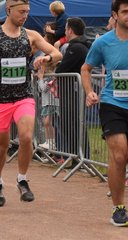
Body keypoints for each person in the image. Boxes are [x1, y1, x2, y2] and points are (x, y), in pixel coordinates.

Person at [0, 0, 62, 207]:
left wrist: (46, 59)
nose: (25, 16)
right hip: (0, 99)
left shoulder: (31, 35)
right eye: (21, 12)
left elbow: (57, 53)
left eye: (27, 12)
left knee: (27, 136)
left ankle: (22, 179)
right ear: (9, 10)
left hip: (23, 96)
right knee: (1, 145)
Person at [81, 0, 128, 227]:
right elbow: (86, 68)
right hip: (113, 105)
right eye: (126, 11)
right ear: (115, 15)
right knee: (120, 155)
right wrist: (89, 91)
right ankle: (119, 208)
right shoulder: (104, 43)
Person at [56, 18, 90, 163]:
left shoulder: (76, 47)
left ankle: (81, 157)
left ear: (70, 30)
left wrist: (58, 66)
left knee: (73, 124)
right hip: (72, 91)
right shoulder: (80, 45)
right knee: (72, 124)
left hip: (73, 92)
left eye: (65, 29)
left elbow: (61, 70)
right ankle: (78, 157)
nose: (65, 32)